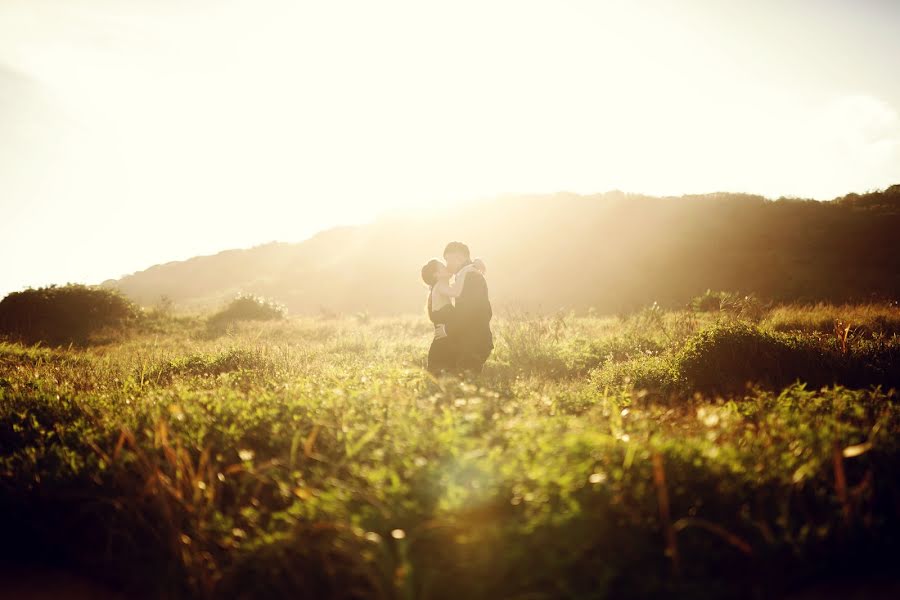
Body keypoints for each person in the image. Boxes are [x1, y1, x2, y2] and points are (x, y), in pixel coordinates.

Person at [421, 256, 486, 375]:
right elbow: (457, 292)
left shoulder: (441, 287)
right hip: (442, 349)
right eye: (443, 267)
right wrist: (465, 270)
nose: (447, 267)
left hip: (446, 346)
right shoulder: (440, 286)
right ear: (436, 275)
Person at [442, 241, 493, 374]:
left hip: (473, 342)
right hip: (470, 341)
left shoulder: (471, 276)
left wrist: (447, 328)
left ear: (460, 257)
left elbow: (470, 311)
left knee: (467, 382)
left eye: (448, 260)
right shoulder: (466, 274)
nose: (447, 265)